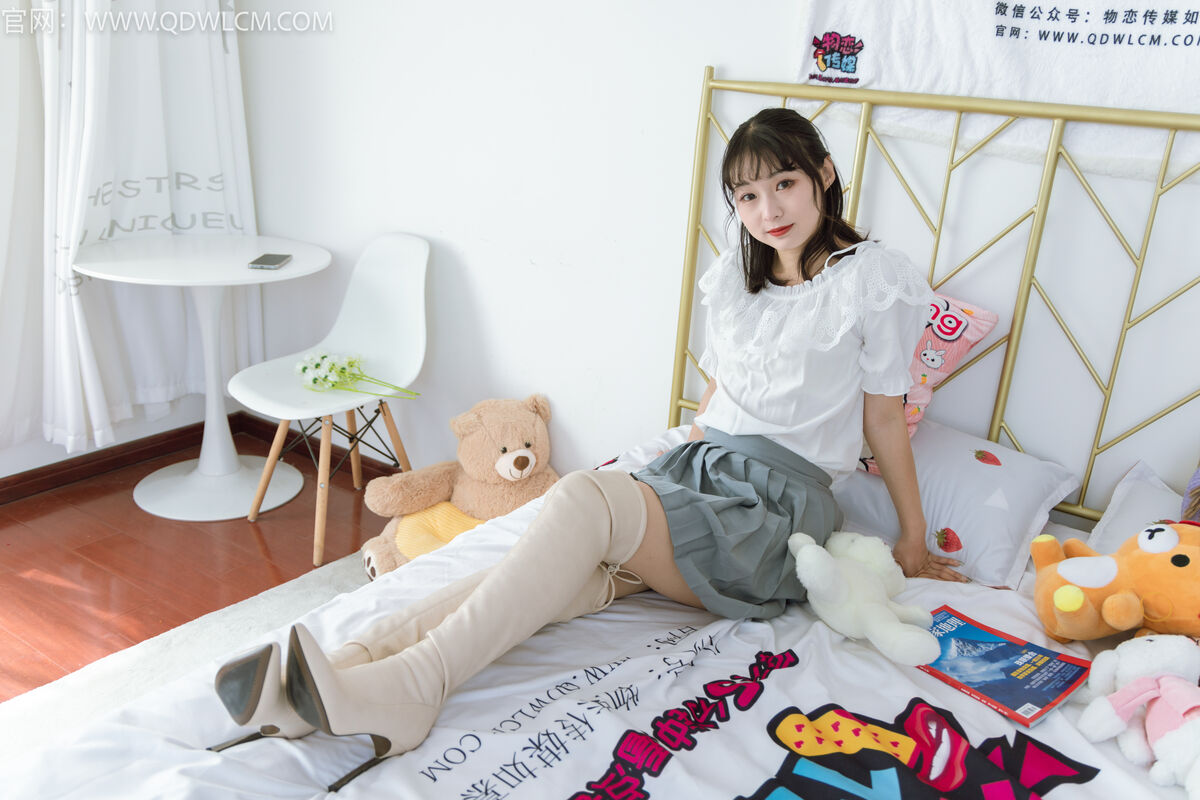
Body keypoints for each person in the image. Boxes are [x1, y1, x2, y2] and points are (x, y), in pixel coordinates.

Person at [211, 107, 967, 777]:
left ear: (824, 175)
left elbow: (882, 420)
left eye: (785, 184)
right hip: (696, 476)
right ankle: (338, 673)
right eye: (746, 195)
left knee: (581, 498)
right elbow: (719, 396)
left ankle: (414, 689)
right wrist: (671, 467)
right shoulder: (736, 281)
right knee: (539, 575)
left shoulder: (871, 279)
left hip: (769, 514)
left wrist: (912, 536)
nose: (767, 210)